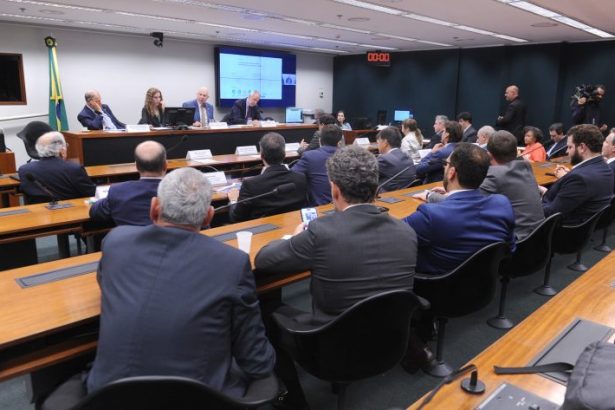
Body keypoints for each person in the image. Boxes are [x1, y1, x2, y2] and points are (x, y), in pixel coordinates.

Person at [83, 167, 276, 399]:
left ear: (154, 207)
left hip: (106, 398)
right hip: (198, 399)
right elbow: (256, 361)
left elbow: (106, 283)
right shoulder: (232, 262)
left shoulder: (115, 241)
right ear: (209, 217)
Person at [255, 146, 416, 409]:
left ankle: (291, 401)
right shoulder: (406, 231)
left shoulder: (321, 232)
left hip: (330, 352)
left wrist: (295, 238)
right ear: (376, 188)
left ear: (335, 190)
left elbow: (264, 259)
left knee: (265, 306)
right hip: (389, 344)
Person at [404, 143, 515, 275]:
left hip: (433, 283)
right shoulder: (502, 204)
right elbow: (510, 249)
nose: (444, 167)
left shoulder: (430, 215)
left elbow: (391, 235)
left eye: (446, 164)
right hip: (486, 282)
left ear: (452, 172)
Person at [418, 131, 544, 240]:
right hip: (537, 237)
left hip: (518, 242)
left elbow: (465, 204)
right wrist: (452, 191)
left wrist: (430, 195)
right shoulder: (525, 166)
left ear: (488, 155)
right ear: (516, 152)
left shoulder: (495, 174)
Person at [542, 124, 614, 225]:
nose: (567, 151)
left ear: (582, 147)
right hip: (589, 227)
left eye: (570, 147)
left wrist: (535, 200)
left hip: (561, 230)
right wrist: (546, 191)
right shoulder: (605, 168)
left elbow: (551, 214)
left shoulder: (579, 178)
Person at [228, 133, 307, 222]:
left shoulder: (250, 185)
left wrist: (233, 200)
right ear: (284, 154)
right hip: (293, 225)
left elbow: (236, 218)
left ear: (261, 156)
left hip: (263, 228)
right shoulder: (301, 178)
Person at [89, 141, 167, 226]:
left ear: (136, 166)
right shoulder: (177, 191)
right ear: (165, 166)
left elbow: (95, 212)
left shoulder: (117, 191)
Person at [18, 131, 95, 203]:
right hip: (71, 210)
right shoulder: (74, 168)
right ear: (62, 149)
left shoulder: (24, 170)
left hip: (39, 212)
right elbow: (91, 194)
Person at [292, 124, 342, 206]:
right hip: (345, 205)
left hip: (319, 207)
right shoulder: (349, 156)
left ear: (320, 140)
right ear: (339, 142)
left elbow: (292, 175)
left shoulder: (309, 156)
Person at [376, 126, 416, 192]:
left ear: (385, 142)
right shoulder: (408, 158)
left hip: (386, 195)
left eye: (378, 142)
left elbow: (365, 174)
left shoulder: (384, 159)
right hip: (404, 193)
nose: (378, 145)